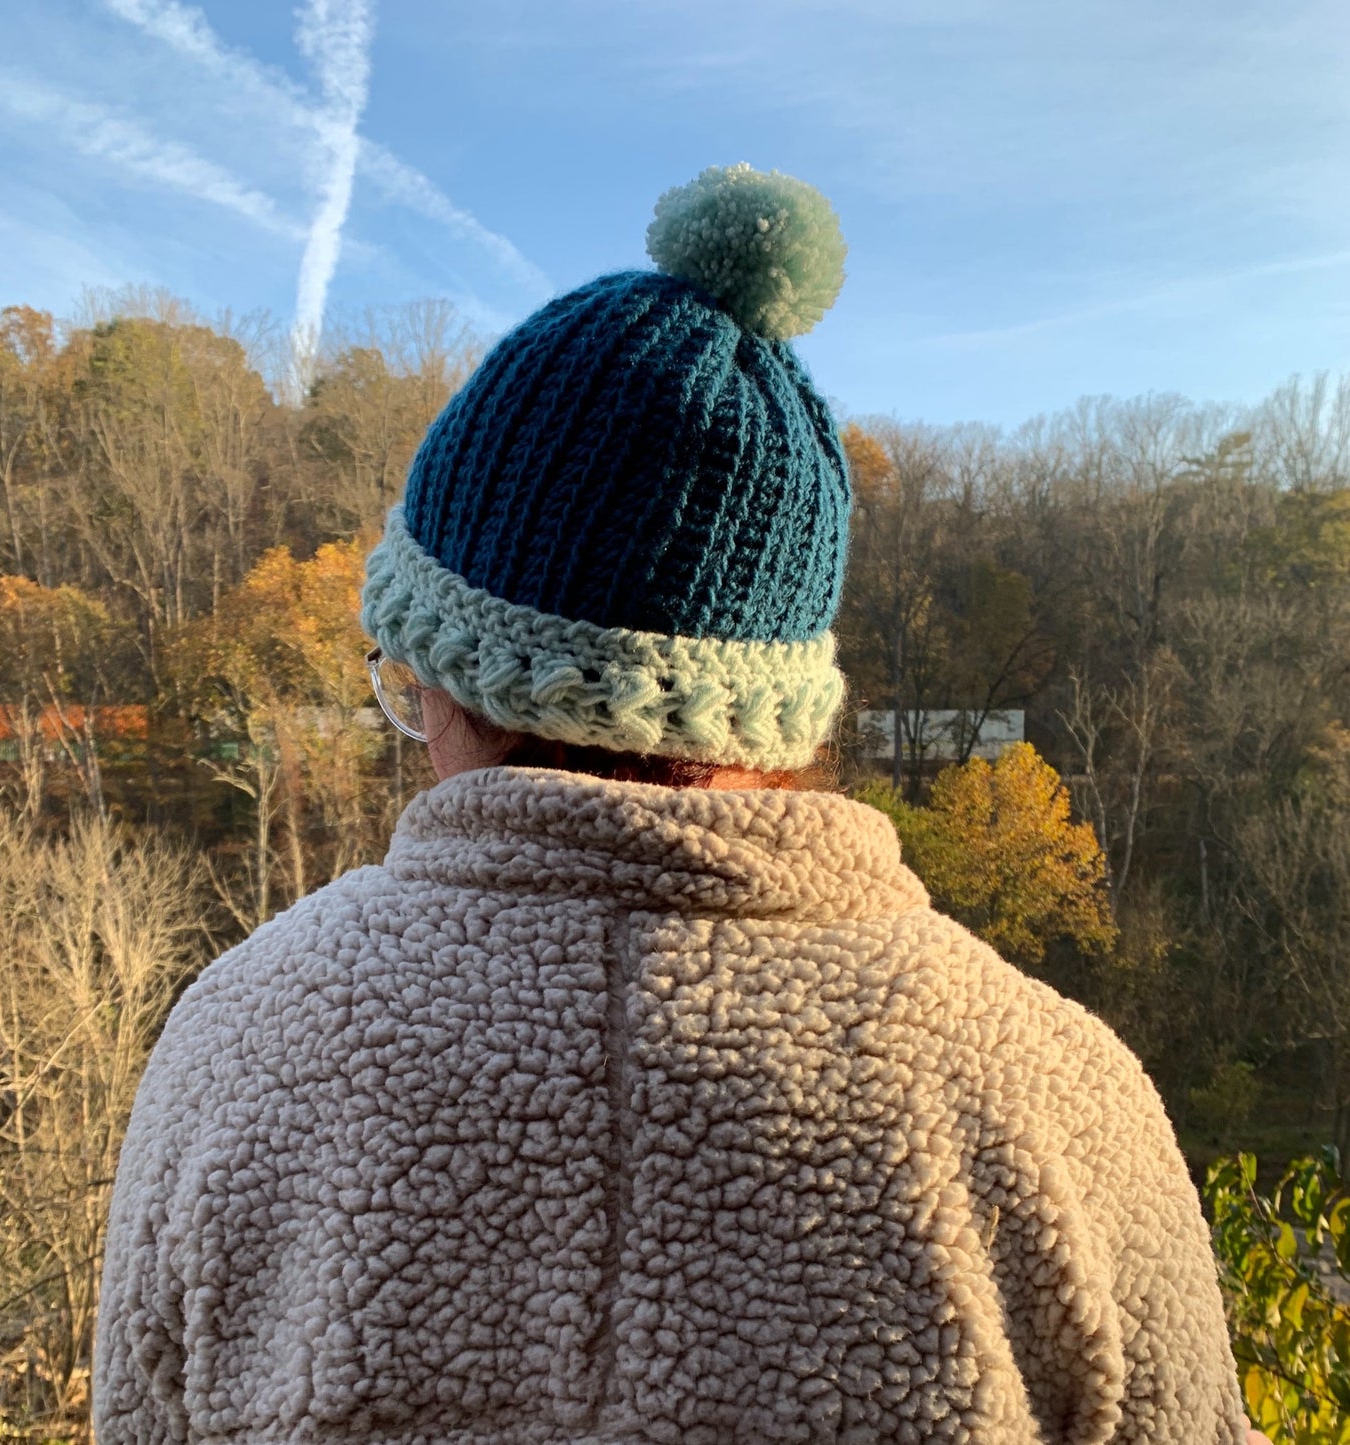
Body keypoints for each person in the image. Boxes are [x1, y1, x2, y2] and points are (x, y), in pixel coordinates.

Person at [95, 165, 1251, 1444]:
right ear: (782, 707)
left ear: (451, 679)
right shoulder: (1056, 1100)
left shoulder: (244, 1046)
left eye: (401, 674)